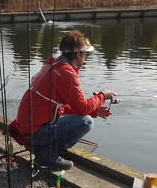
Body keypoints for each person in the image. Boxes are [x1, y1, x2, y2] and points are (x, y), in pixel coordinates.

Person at [10, 30, 116, 170]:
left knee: (85, 116)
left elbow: (62, 108)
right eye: (85, 54)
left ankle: (42, 149)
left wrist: (95, 111)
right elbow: (82, 108)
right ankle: (48, 154)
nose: (85, 58)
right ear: (78, 54)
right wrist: (102, 95)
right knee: (86, 122)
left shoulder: (52, 66)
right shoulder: (65, 73)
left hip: (28, 130)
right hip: (35, 133)